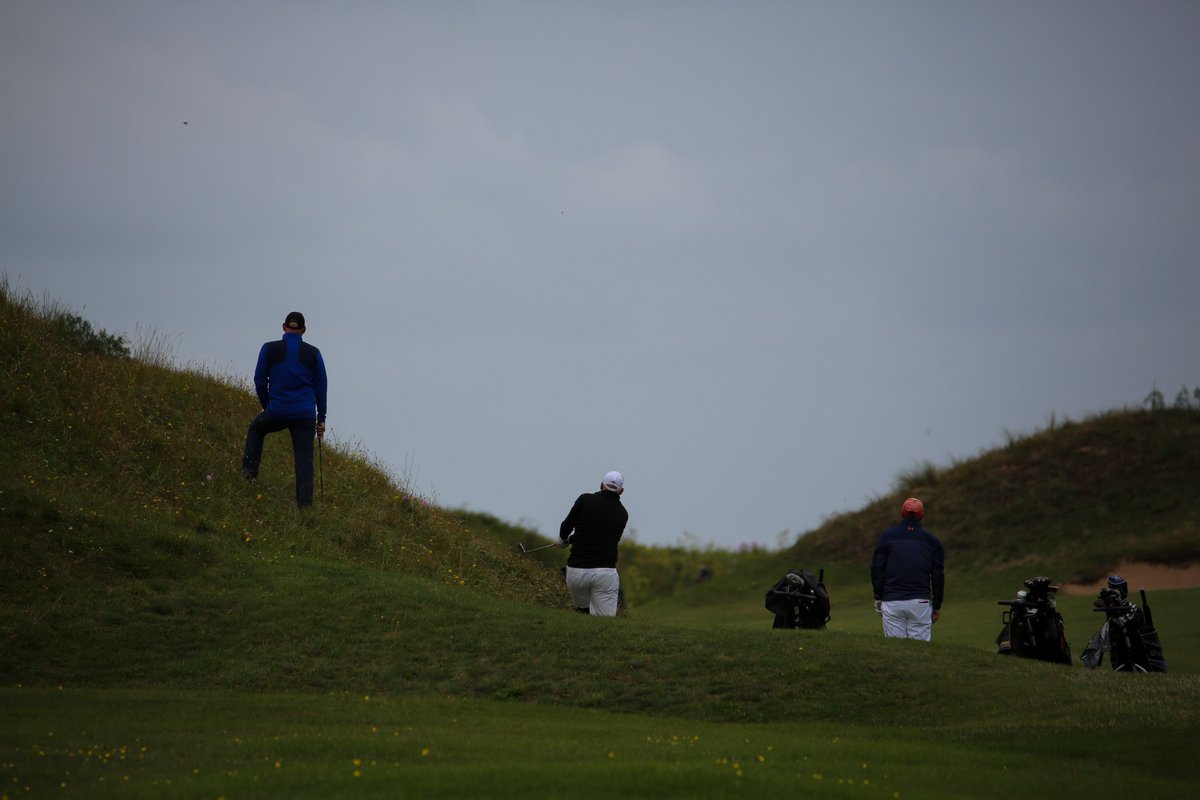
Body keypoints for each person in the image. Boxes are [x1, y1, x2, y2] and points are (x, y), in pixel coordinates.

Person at [241, 311, 328, 508]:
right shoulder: (314, 353)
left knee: (257, 429)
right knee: (304, 458)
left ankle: (249, 476)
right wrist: (321, 418)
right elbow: (321, 387)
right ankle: (305, 506)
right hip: (305, 414)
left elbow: (260, 380)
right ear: (304, 330)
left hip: (277, 410)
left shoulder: (269, 349)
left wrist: (267, 406)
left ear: (283, 327)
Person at [870, 497, 944, 641]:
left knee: (896, 649)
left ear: (902, 513)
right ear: (921, 515)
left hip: (892, 601)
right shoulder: (932, 540)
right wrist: (937, 604)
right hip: (920, 602)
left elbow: (877, 568)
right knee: (920, 651)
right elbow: (937, 574)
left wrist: (878, 596)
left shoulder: (887, 536)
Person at [556, 471, 629, 616]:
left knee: (584, 612)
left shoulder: (584, 500)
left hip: (576, 572)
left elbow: (566, 527)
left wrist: (564, 539)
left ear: (601, 485)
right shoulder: (622, 514)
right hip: (604, 573)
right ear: (621, 491)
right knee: (603, 621)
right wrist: (571, 539)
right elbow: (603, 538)